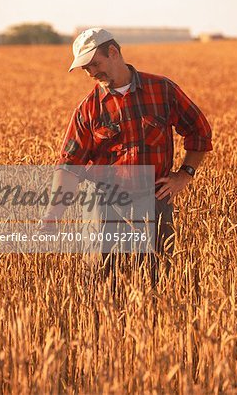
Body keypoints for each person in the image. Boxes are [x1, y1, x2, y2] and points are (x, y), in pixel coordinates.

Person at [40, 27, 213, 286]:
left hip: (154, 200)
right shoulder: (88, 108)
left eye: (94, 64)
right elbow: (69, 166)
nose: (91, 73)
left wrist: (184, 174)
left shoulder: (162, 90)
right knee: (101, 284)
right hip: (103, 207)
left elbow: (199, 131)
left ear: (113, 53)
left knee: (157, 282)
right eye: (85, 69)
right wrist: (52, 216)